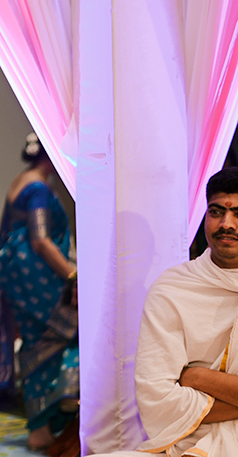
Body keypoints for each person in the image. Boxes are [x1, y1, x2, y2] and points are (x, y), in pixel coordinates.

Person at [87, 167, 238, 457]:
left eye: (237, 214)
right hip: (188, 439)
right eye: (216, 212)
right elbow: (157, 403)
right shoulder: (173, 289)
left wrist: (197, 377)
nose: (226, 224)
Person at [0, 133, 78, 451]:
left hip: (19, 276)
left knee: (37, 342)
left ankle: (41, 426)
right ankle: (62, 404)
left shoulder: (21, 180)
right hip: (37, 276)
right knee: (73, 331)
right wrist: (73, 274)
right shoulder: (38, 187)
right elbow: (40, 239)